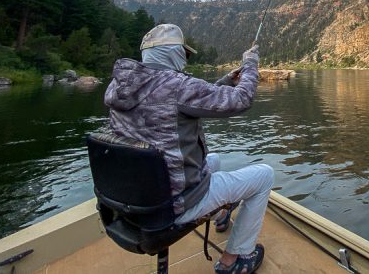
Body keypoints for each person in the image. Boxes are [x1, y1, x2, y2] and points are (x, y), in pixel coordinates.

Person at [104, 23, 273, 273]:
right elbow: (241, 100)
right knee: (264, 175)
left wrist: (225, 81)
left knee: (212, 159)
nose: (185, 58)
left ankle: (219, 214)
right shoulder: (179, 86)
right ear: (171, 52)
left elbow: (182, 102)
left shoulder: (119, 86)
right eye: (183, 52)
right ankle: (235, 260)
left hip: (135, 201)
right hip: (173, 204)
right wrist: (250, 65)